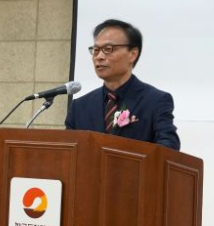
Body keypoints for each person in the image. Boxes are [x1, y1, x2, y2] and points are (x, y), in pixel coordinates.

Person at [65, 19, 181, 151]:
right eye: (96, 50)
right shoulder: (79, 107)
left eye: (108, 49)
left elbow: (169, 147)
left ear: (132, 54)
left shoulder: (156, 101)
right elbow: (68, 152)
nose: (99, 57)